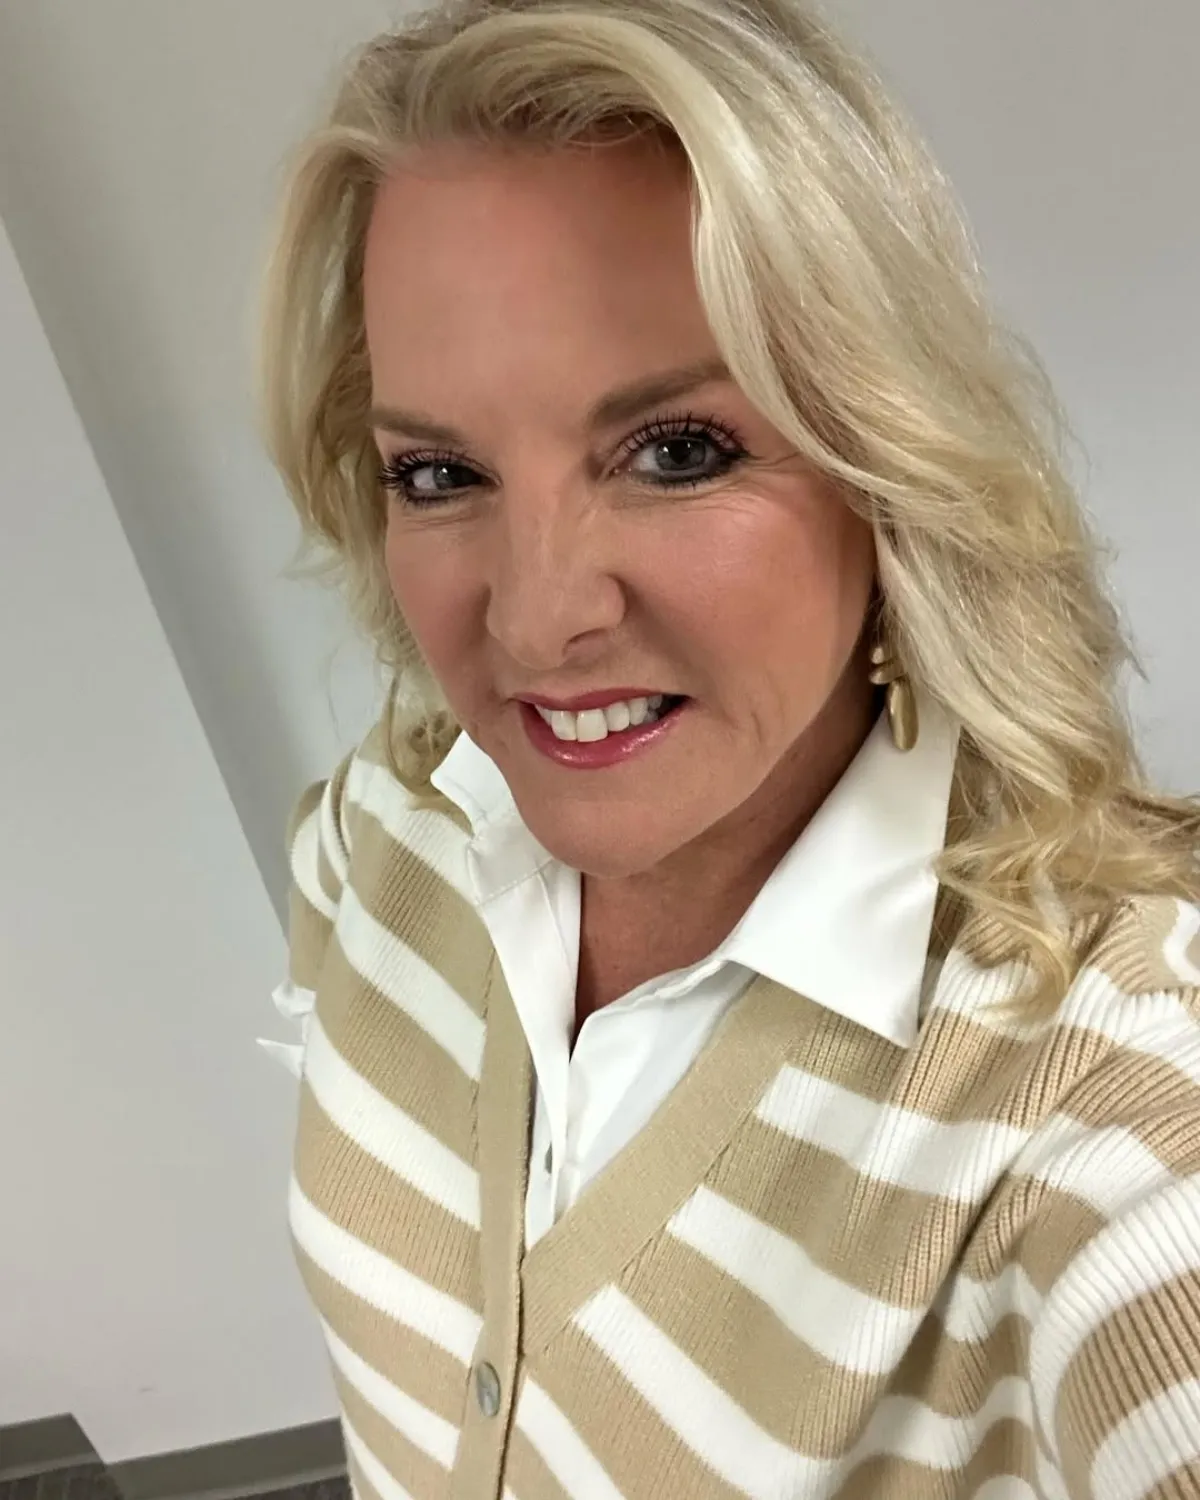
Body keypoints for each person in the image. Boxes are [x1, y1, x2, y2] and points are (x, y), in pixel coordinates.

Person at [256, 1, 1200, 1496]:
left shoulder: (1106, 1099)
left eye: (677, 452)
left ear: (888, 465)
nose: (537, 618)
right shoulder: (386, 827)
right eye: (438, 472)